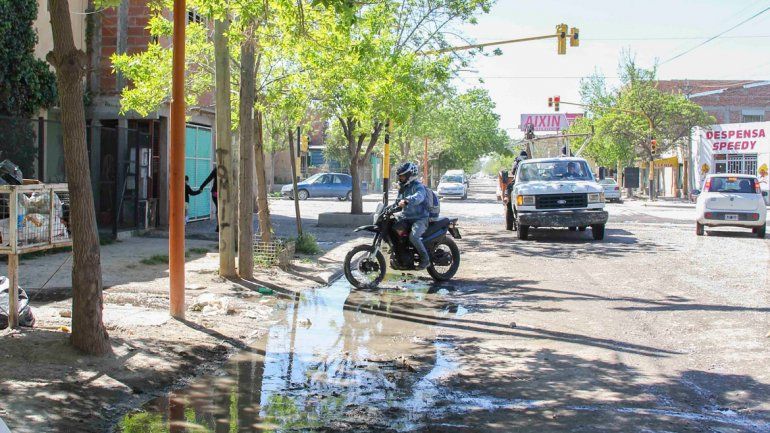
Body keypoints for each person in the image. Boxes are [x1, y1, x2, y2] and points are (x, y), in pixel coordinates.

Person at [394, 162, 430, 270]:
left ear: (410, 175)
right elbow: (398, 202)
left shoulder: (419, 186)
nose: (400, 178)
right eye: (399, 176)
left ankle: (425, 260)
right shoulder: (403, 188)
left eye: (403, 176)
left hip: (420, 218)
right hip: (406, 217)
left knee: (413, 236)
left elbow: (419, 197)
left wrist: (407, 200)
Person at [198, 168, 219, 232]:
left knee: (218, 209)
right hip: (223, 193)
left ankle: (218, 225)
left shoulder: (216, 169)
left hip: (215, 192)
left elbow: (209, 178)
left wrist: (202, 186)